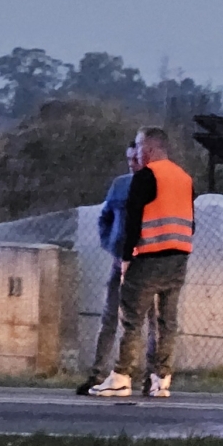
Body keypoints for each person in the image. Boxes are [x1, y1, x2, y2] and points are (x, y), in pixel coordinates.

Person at [90, 127, 194, 398]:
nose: (134, 152)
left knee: (132, 320)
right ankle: (161, 378)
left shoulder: (146, 176)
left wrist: (126, 257)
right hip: (179, 257)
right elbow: (190, 220)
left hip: (148, 258)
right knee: (166, 321)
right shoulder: (184, 178)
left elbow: (134, 221)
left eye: (137, 146)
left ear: (148, 148)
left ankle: (121, 376)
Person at [75, 143, 157, 395]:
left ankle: (152, 375)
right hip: (119, 258)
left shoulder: (154, 185)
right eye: (129, 159)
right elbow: (106, 216)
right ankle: (98, 374)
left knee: (153, 319)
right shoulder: (120, 185)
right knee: (109, 316)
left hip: (148, 262)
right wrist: (111, 244)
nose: (132, 164)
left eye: (136, 159)